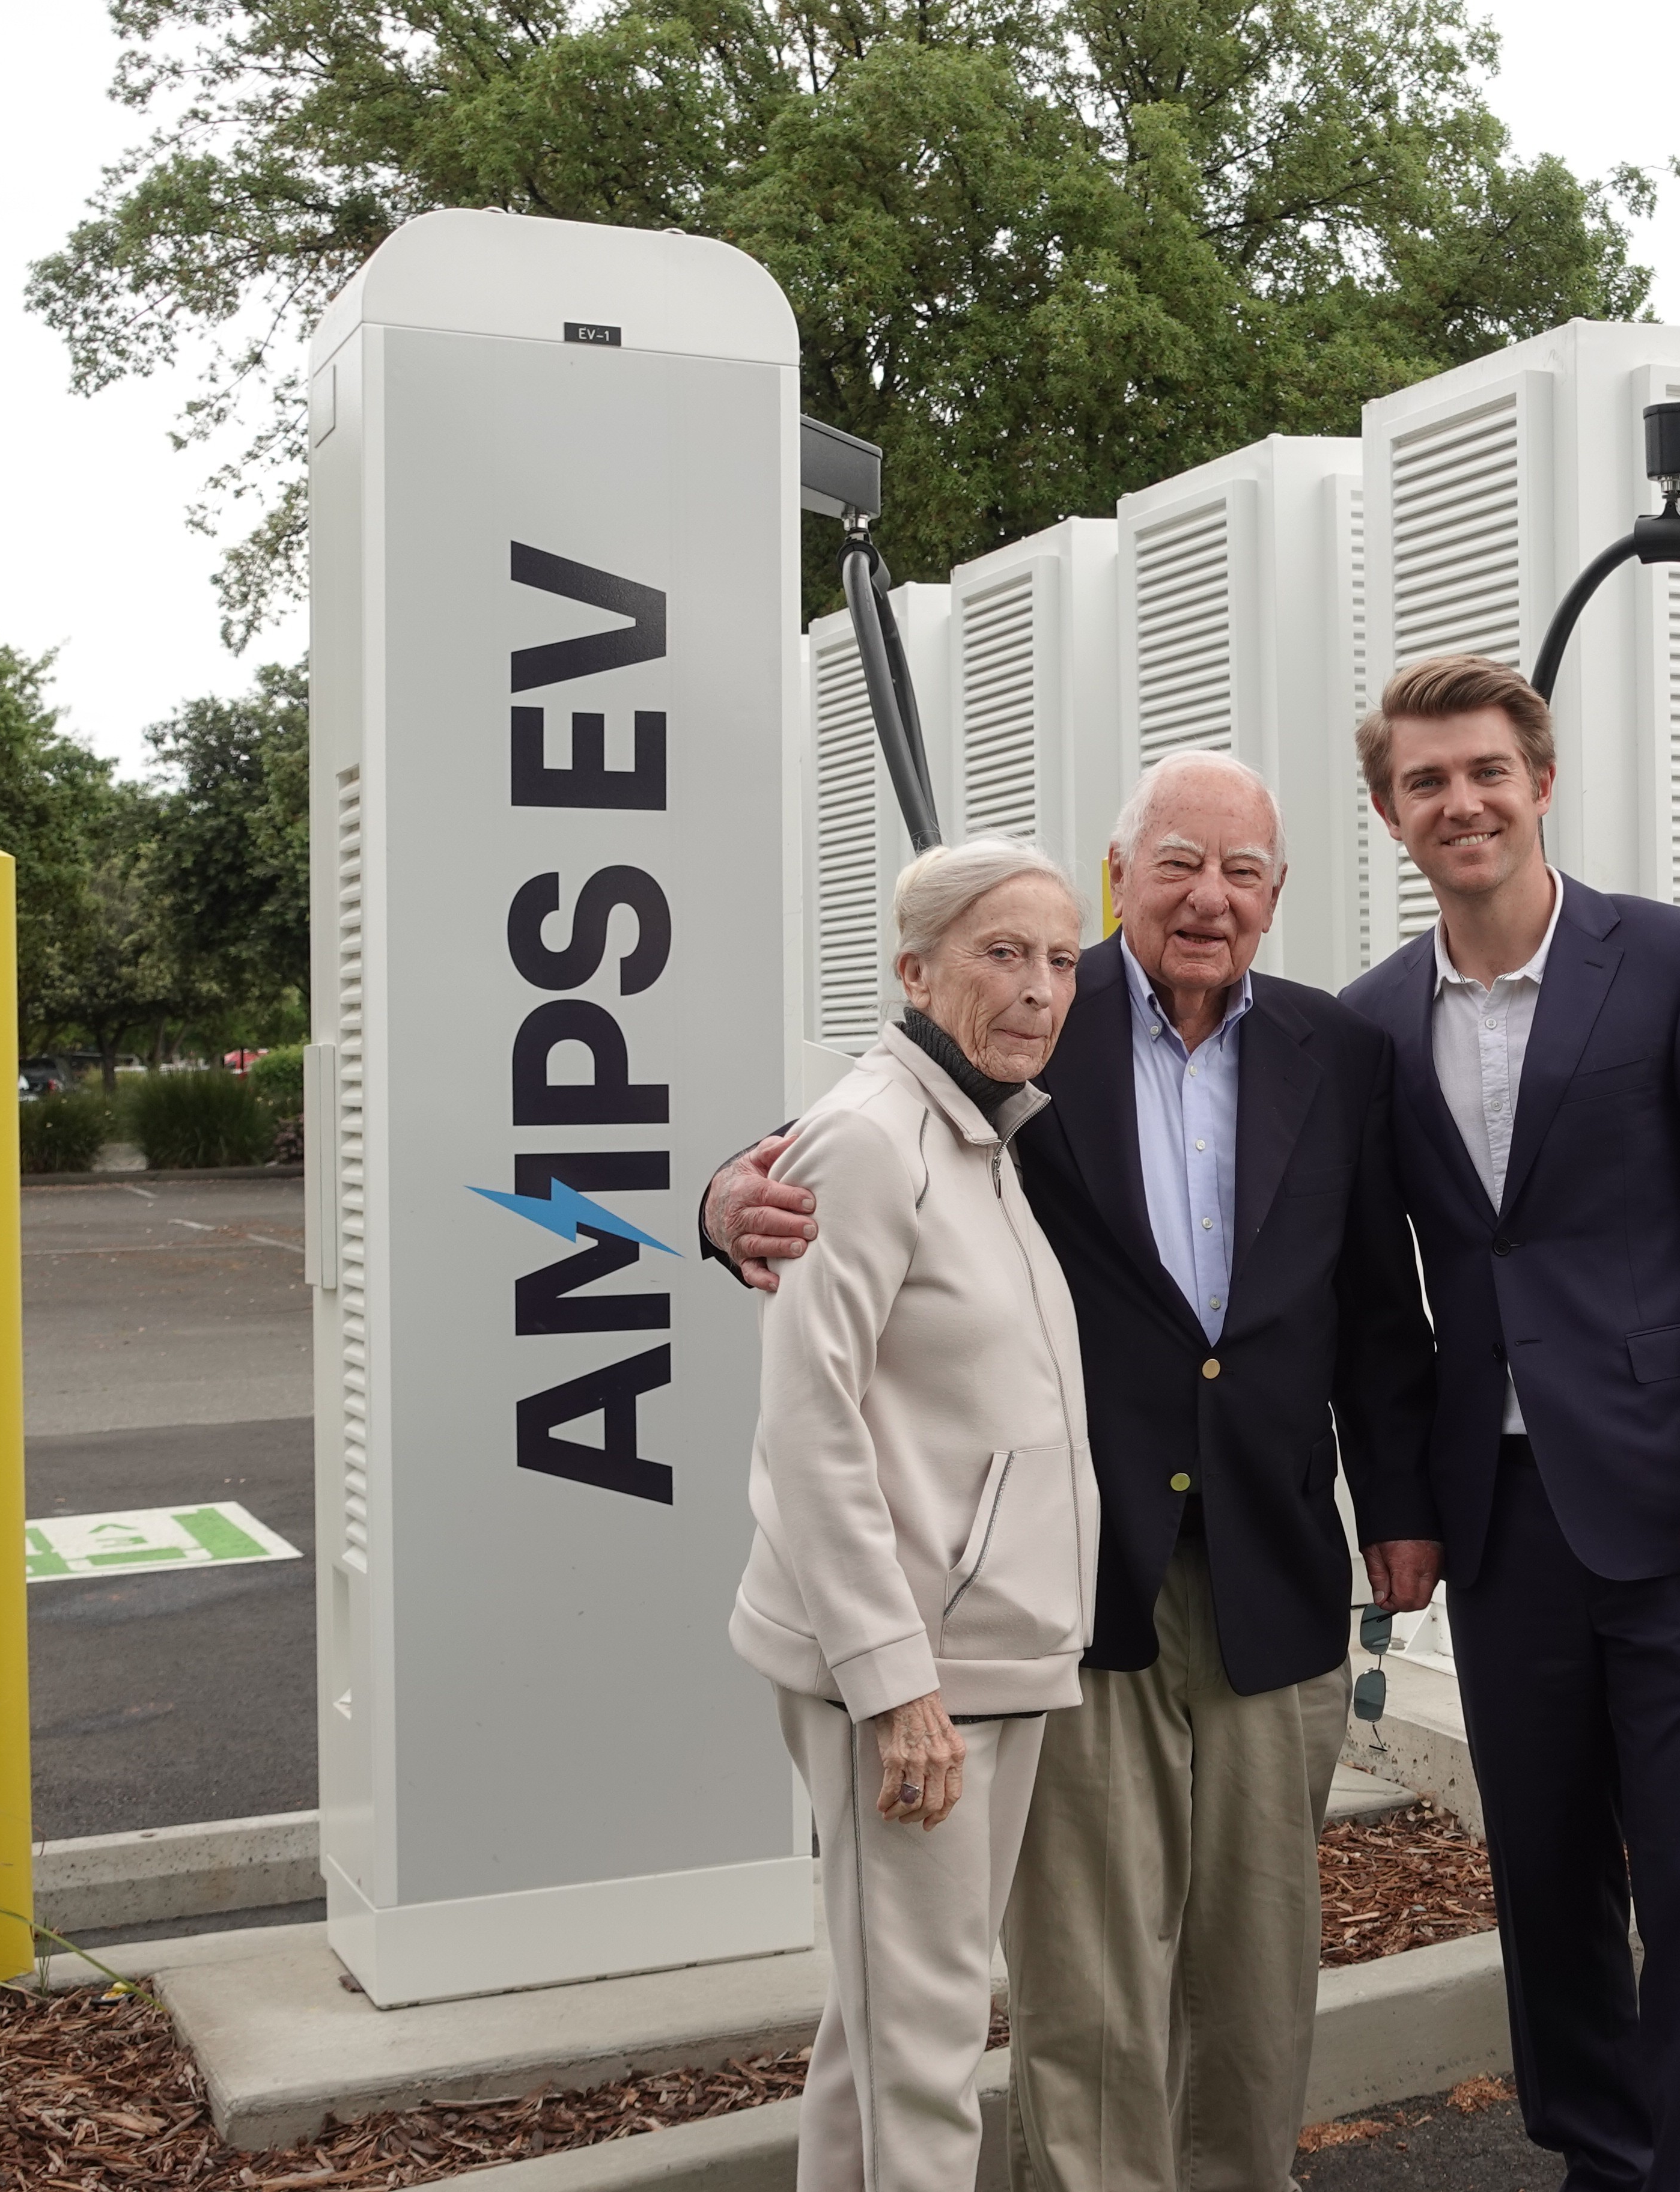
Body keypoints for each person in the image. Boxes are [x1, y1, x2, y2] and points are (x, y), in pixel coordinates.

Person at [703, 750, 1441, 2192]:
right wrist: (727, 1195)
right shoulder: (1032, 1008)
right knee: (1088, 1975)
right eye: (1178, 863)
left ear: (1277, 894)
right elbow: (858, 1132)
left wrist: (1401, 1506)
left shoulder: (1338, 1050)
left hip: (1275, 1560)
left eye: (1243, 872)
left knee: (1257, 1959)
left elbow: (1375, 1302)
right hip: (1077, 1576)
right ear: (1120, 879)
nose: (1210, 897)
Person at [1341, 654, 1680, 2192]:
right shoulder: (1370, 1023)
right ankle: (1601, 2160)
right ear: (1390, 814)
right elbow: (1379, 1300)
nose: (1461, 802)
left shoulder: (1679, 961)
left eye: (1487, 770)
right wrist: (1398, 1503)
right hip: (1496, 1515)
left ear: (1540, 783)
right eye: (1426, 781)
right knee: (1543, 1869)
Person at [730, 838, 1100, 2192]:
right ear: (915, 972)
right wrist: (895, 1685)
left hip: (985, 1655)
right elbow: (809, 1421)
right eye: (1003, 954)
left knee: (887, 2026)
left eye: (1061, 959)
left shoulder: (981, 1132)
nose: (1040, 988)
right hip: (910, 1675)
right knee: (925, 2048)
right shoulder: (873, 1139)